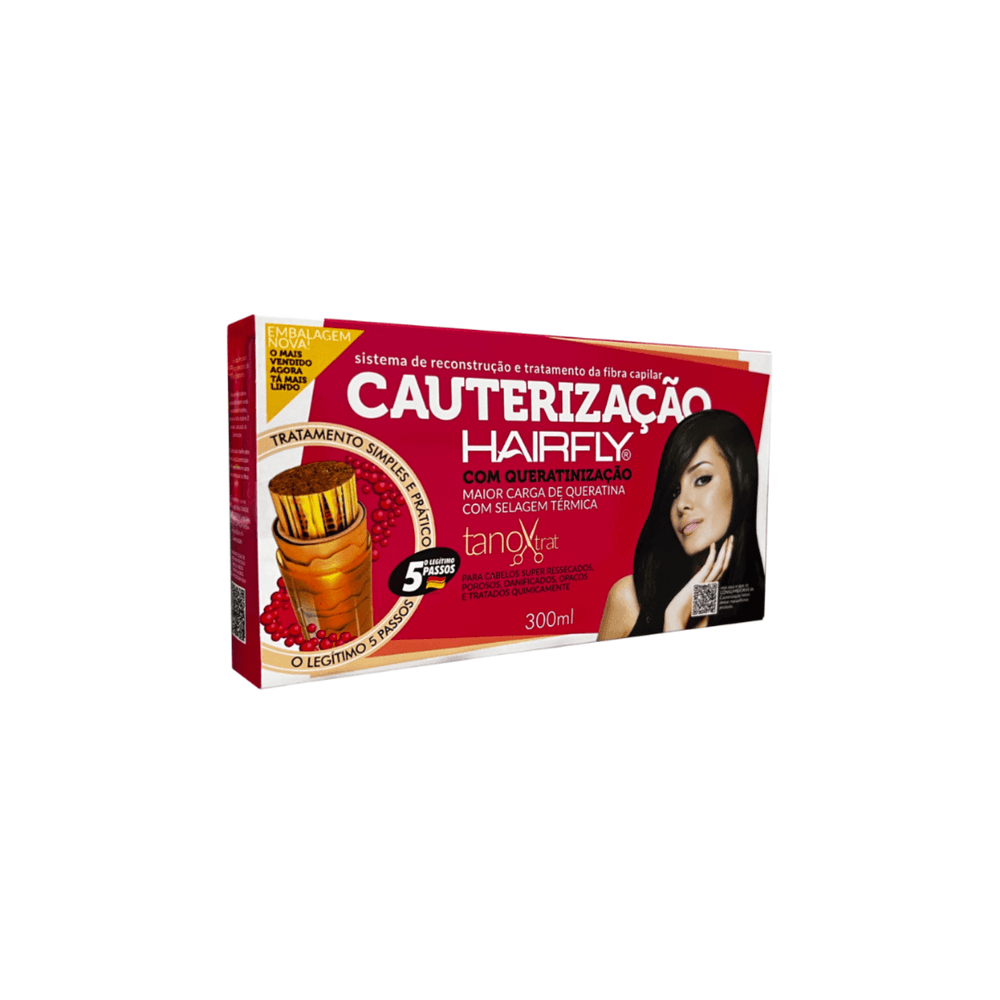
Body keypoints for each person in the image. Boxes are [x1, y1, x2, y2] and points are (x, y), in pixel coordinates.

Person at [597, 409, 765, 640]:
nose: (681, 504)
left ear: (741, 482)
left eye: (702, 479)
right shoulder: (628, 600)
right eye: (674, 491)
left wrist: (676, 621)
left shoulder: (759, 605)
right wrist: (675, 616)